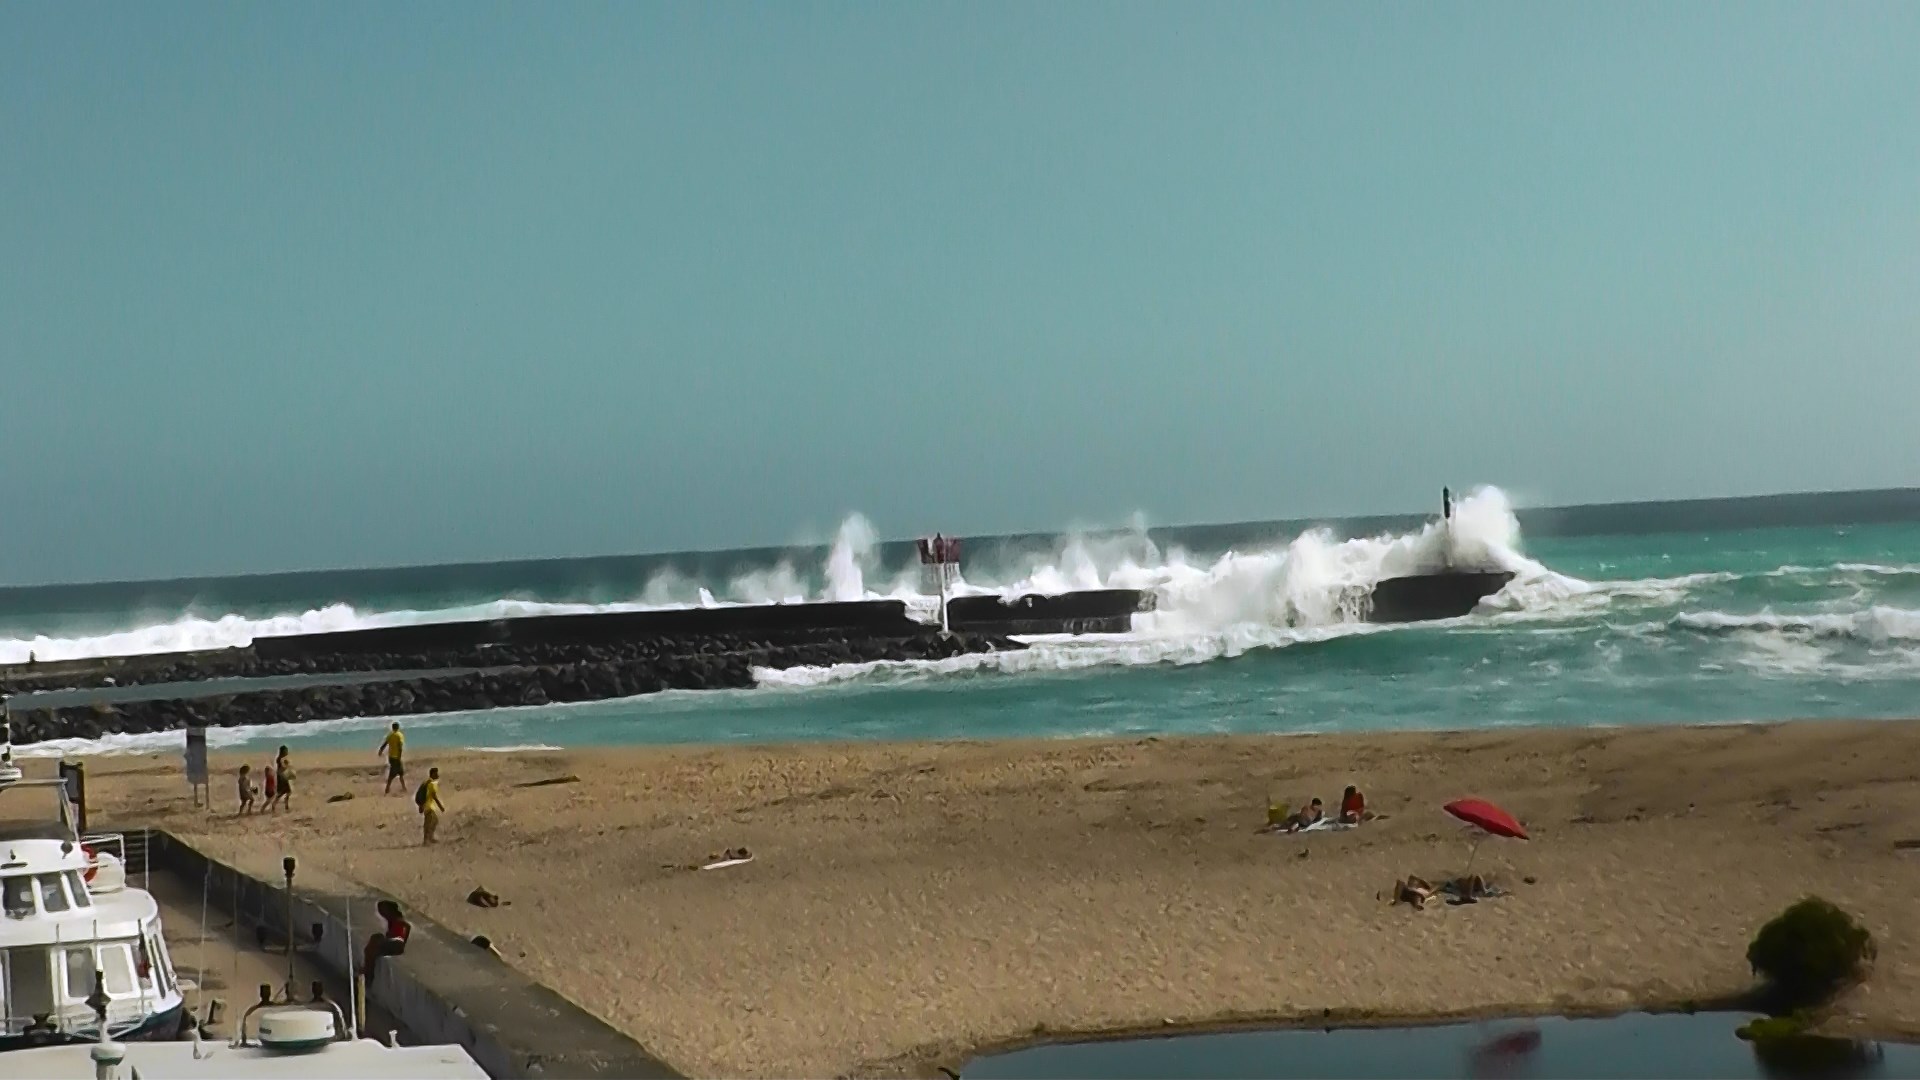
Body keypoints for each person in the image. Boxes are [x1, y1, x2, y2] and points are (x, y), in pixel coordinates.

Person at [362, 899, 411, 978]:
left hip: (395, 943)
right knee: (372, 946)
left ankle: (368, 972)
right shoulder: (392, 921)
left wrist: (402, 943)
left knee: (374, 942)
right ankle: (367, 970)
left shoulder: (398, 921)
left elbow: (406, 928)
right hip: (392, 943)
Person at [417, 767, 445, 845]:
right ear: (432, 774)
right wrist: (441, 807)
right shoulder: (432, 784)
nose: (438, 775)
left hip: (426, 806)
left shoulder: (426, 782)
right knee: (430, 822)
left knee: (433, 821)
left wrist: (420, 805)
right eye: (436, 773)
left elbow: (422, 794)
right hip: (429, 806)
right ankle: (426, 840)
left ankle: (429, 838)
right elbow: (434, 797)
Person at [379, 723, 406, 794]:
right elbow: (400, 747)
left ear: (392, 727)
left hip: (391, 757)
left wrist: (380, 751)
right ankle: (387, 789)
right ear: (398, 727)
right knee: (393, 774)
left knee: (400, 772)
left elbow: (384, 744)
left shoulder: (390, 735)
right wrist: (399, 757)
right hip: (396, 757)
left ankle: (404, 788)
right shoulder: (399, 735)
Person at [272, 746, 293, 812]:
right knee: (284, 792)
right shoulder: (280, 759)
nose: (287, 752)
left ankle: (285, 805)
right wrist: (287, 765)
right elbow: (281, 769)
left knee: (286, 792)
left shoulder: (279, 759)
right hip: (282, 777)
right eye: (286, 751)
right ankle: (275, 804)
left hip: (282, 777)